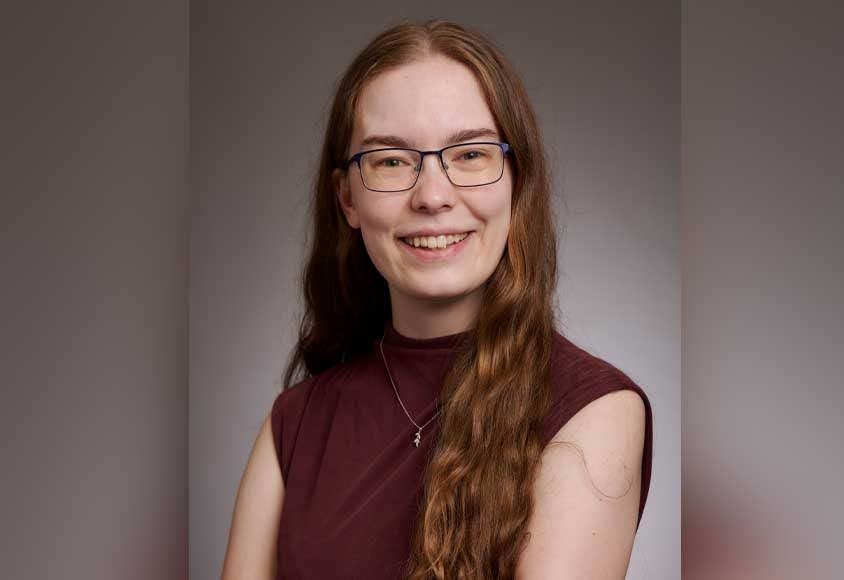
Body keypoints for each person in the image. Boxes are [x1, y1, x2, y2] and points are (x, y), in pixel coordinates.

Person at [220, 19, 652, 580]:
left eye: (470, 154)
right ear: (347, 199)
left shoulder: (596, 411)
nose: (433, 196)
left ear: (515, 182)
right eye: (391, 161)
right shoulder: (293, 425)